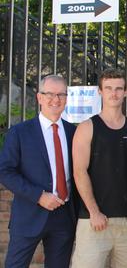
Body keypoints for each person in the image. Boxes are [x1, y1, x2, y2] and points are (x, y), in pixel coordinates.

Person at [0, 75, 77, 268]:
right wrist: (38, 196)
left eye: (61, 94)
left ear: (67, 98)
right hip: (29, 213)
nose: (55, 99)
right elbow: (5, 171)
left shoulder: (73, 132)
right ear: (39, 97)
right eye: (49, 94)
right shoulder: (20, 132)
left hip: (64, 216)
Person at [71, 69, 127, 268]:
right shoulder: (87, 128)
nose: (114, 93)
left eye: (119, 89)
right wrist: (94, 212)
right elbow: (79, 171)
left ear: (125, 92)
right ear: (100, 92)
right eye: (109, 88)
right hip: (94, 222)